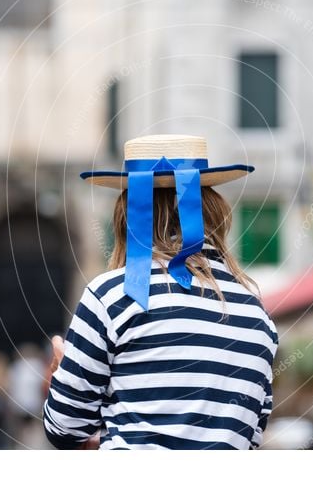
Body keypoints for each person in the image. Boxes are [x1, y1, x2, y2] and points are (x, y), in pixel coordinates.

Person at [43, 134, 278, 449]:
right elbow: (250, 440)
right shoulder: (257, 316)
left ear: (127, 215)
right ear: (211, 210)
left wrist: (64, 377)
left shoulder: (110, 298)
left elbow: (64, 429)